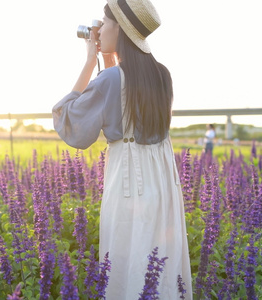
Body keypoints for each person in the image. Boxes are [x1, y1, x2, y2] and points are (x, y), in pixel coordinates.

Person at [52, 0, 193, 298]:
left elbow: (70, 120)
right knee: (159, 267)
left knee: (126, 263)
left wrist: (90, 60)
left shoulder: (111, 78)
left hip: (129, 185)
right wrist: (106, 61)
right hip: (164, 185)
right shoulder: (162, 74)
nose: (99, 31)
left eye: (104, 23)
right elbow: (122, 93)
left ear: (121, 29)